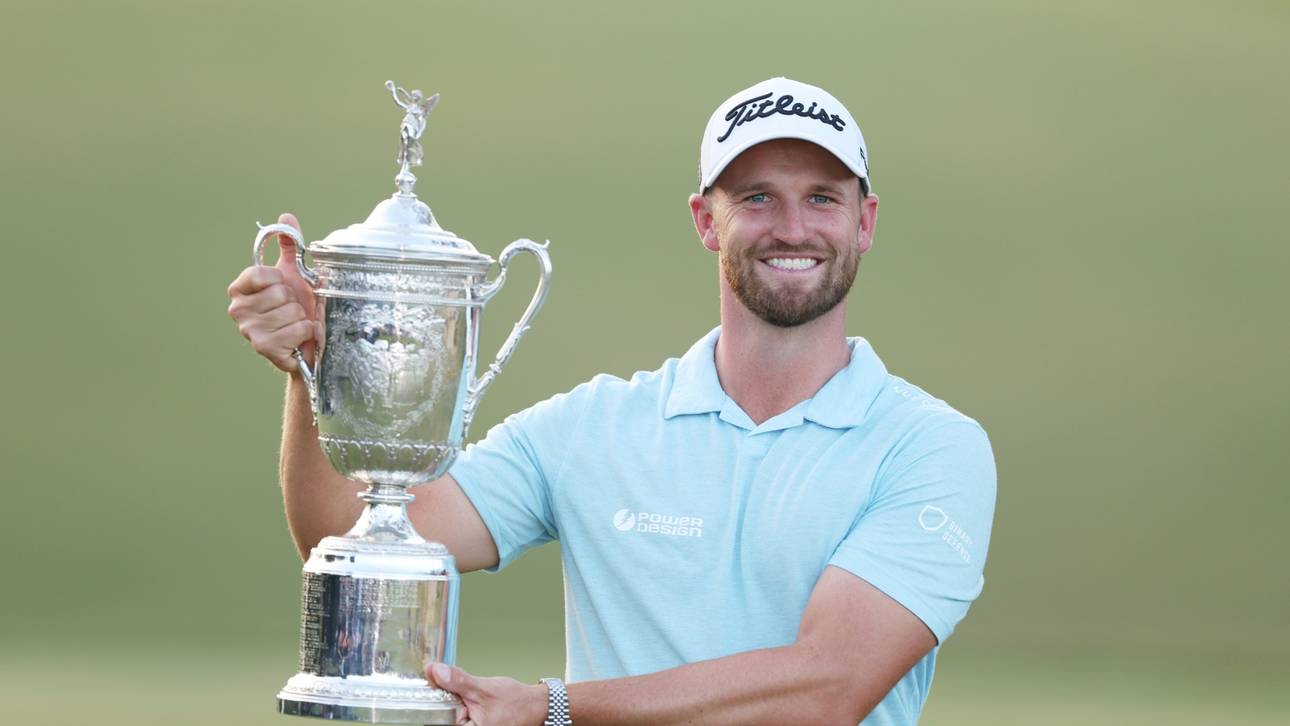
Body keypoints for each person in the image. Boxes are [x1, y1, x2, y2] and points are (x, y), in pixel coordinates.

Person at [227, 77, 997, 725]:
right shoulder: (592, 427)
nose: (792, 226)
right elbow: (348, 534)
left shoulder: (929, 448)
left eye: (822, 198)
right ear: (707, 221)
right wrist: (317, 369)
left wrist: (554, 706)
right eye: (757, 197)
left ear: (864, 223)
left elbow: (829, 688)